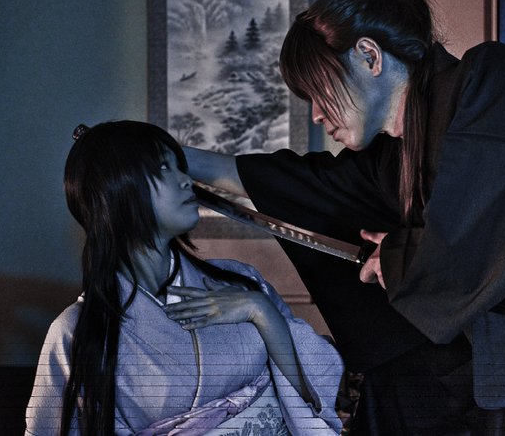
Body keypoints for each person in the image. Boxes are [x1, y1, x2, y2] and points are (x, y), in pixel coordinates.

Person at [183, 0, 505, 434]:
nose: (317, 113)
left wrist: (402, 256)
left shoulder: (496, 80)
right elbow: (304, 186)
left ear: (369, 56)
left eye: (319, 91)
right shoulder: (393, 153)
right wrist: (174, 159)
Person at [24, 121, 344, 435]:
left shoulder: (242, 281)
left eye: (180, 167)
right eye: (164, 168)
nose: (186, 180)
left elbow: (314, 398)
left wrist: (262, 311)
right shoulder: (76, 332)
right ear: (115, 190)